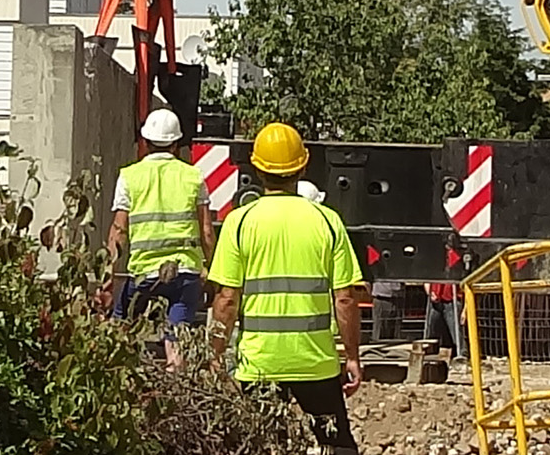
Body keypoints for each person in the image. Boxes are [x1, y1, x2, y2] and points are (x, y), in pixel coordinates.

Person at [209, 122, 364, 455]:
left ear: (257, 167)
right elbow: (346, 299)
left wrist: (215, 355)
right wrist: (352, 357)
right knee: (337, 445)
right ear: (303, 166)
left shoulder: (239, 222)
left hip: (259, 362)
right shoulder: (327, 221)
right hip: (315, 361)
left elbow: (226, 299)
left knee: (261, 446)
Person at [107, 108, 215, 369]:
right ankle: (175, 388)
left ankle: (122, 379)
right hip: (185, 273)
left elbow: (119, 231)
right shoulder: (193, 176)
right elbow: (207, 232)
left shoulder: (129, 176)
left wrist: (108, 275)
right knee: (176, 335)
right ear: (176, 144)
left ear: (145, 142)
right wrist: (211, 271)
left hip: (144, 274)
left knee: (120, 322)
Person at [423, 283, 468, 361]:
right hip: (435, 301)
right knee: (431, 331)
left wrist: (465, 309)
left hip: (452, 300)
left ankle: (462, 356)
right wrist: (429, 292)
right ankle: (428, 357)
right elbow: (426, 277)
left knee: (456, 332)